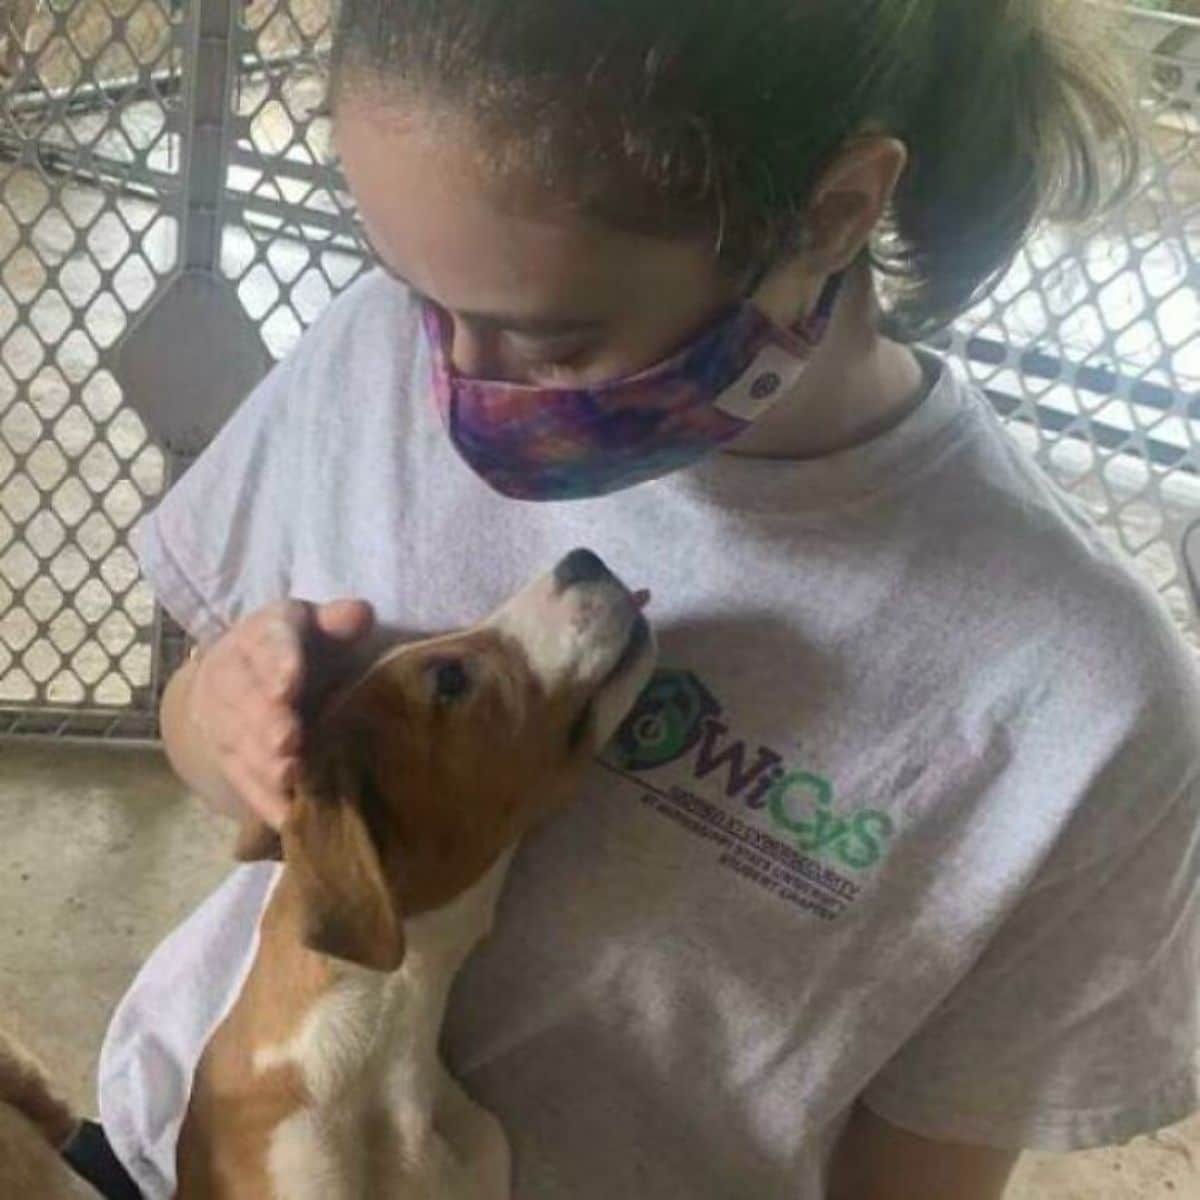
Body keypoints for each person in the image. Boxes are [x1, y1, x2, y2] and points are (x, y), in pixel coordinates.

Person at [80, 2, 1200, 1198]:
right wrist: (220, 722)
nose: (457, 381)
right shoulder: (369, 356)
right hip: (186, 1158)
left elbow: (921, 1169)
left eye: (556, 342)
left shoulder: (1082, 701)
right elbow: (218, 771)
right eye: (419, 294)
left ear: (832, 216)